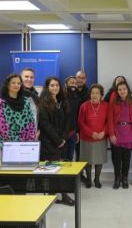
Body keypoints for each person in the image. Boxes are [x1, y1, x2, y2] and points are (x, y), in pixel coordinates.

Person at [38, 76, 74, 206]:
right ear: (47, 87)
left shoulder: (63, 101)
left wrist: (63, 138)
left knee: (61, 169)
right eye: (52, 85)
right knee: (51, 170)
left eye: (57, 85)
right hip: (49, 142)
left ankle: (58, 194)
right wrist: (58, 140)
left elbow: (67, 122)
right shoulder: (43, 103)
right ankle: (56, 195)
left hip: (62, 141)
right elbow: (45, 124)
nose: (55, 88)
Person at [108, 81, 132, 189]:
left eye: (124, 89)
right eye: (120, 89)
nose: (122, 91)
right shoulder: (113, 103)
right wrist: (111, 134)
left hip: (129, 132)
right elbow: (110, 120)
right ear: (117, 91)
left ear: (128, 90)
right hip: (117, 132)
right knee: (116, 158)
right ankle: (117, 179)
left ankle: (124, 179)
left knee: (126, 158)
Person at [78, 84, 109, 188]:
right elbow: (81, 122)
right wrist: (91, 133)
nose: (94, 95)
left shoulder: (106, 106)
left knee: (99, 160)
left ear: (101, 95)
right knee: (87, 160)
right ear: (90, 94)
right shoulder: (84, 106)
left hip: (101, 137)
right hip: (86, 138)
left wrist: (103, 132)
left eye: (97, 93)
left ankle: (97, 179)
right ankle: (88, 179)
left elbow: (108, 122)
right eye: (92, 93)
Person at [0, 74, 36, 145]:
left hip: (24, 142)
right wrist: (13, 140)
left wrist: (29, 139)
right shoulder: (2, 103)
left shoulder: (26, 102)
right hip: (6, 143)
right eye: (13, 83)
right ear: (7, 85)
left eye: (19, 83)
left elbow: (31, 122)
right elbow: (2, 125)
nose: (16, 85)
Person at [64, 76, 80, 161]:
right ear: (66, 85)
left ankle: (69, 175)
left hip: (73, 133)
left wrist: (77, 131)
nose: (73, 85)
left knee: (70, 157)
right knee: (63, 157)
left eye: (75, 83)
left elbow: (76, 116)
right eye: (71, 83)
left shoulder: (76, 98)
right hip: (62, 133)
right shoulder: (61, 97)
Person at [20, 68, 39, 135]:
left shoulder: (35, 95)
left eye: (32, 77)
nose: (29, 79)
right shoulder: (15, 94)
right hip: (19, 136)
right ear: (20, 78)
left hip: (34, 134)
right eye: (26, 77)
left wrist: (38, 130)